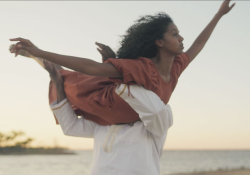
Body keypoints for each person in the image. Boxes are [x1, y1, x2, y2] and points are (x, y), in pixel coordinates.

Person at [9, 0, 235, 126]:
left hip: (122, 106)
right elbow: (92, 68)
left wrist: (219, 14)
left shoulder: (175, 67)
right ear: (159, 42)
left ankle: (34, 53)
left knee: (67, 74)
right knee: (63, 77)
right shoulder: (144, 67)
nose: (181, 38)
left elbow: (198, 44)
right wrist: (38, 51)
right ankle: (32, 52)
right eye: (175, 34)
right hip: (101, 100)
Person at [44, 58, 173, 175]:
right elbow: (70, 127)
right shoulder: (103, 120)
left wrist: (119, 78)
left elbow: (154, 110)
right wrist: (58, 84)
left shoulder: (156, 122)